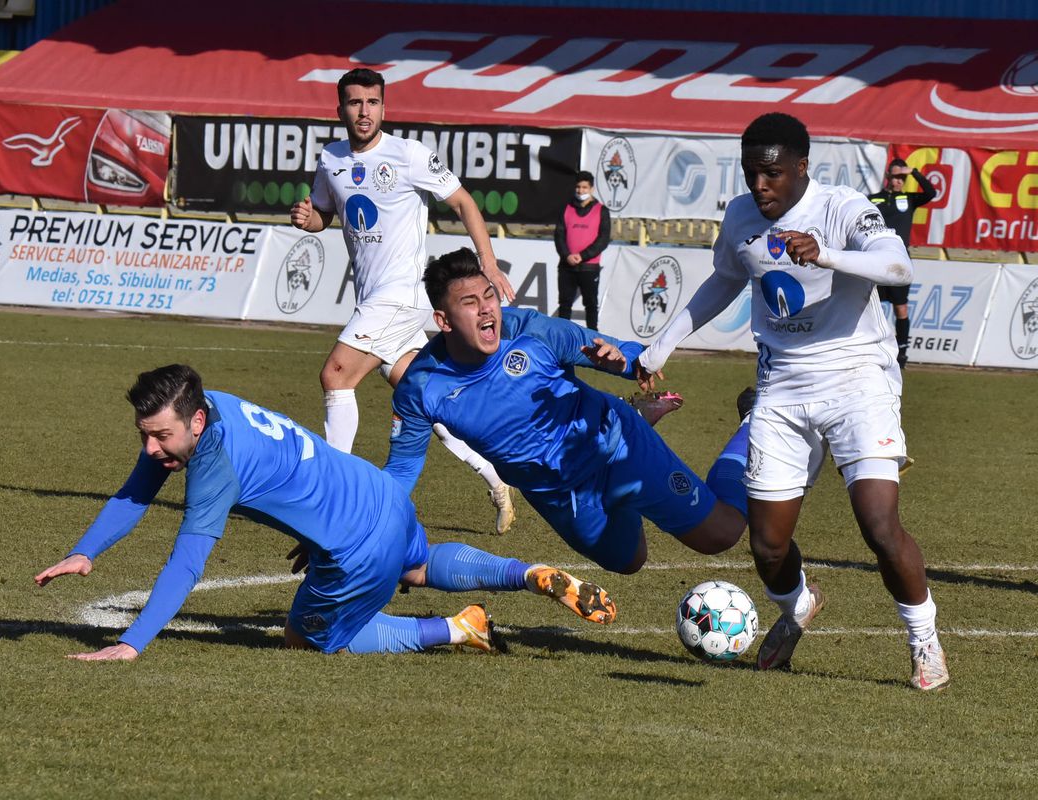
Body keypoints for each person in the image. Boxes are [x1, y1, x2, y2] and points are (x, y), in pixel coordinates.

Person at [637, 113, 949, 690]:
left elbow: (898, 264)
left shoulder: (843, 207)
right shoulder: (739, 216)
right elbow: (726, 280)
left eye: (772, 173)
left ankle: (923, 639)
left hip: (858, 378)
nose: (760, 185)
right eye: (752, 172)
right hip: (782, 384)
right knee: (768, 542)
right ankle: (799, 604)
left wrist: (826, 254)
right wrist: (662, 344)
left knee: (879, 525)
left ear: (803, 167)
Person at [33, 365, 616, 661]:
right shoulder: (212, 404)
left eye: (159, 437)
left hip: (353, 547)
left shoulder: (213, 463)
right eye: (144, 435)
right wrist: (87, 551)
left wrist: (132, 642)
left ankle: (458, 628)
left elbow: (186, 563)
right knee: (415, 566)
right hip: (381, 495)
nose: (151, 449)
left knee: (306, 640)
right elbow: (139, 486)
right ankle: (524, 572)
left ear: (196, 423)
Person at [384, 248, 751, 582]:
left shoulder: (528, 331)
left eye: (489, 296)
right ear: (443, 321)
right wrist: (373, 524)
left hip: (616, 446)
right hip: (558, 492)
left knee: (721, 535)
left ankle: (753, 423)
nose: (486, 309)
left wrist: (624, 359)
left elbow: (611, 350)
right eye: (469, 302)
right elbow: (401, 471)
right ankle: (632, 462)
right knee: (629, 560)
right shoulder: (420, 388)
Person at [289, 67, 518, 534]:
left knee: (335, 374)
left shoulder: (409, 154)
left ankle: (334, 496)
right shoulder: (331, 159)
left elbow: (464, 203)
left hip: (402, 294)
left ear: (383, 107)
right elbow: (324, 217)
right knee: (424, 400)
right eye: (354, 103)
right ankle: (497, 479)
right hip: (372, 298)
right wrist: (306, 218)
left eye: (372, 103)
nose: (364, 111)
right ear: (340, 110)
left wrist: (488, 264)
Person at [866, 158, 937, 369]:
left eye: (902, 178)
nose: (898, 181)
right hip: (876, 258)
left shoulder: (910, 198)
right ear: (888, 176)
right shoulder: (874, 198)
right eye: (896, 176)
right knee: (868, 306)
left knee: (901, 308)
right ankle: (870, 348)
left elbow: (931, 193)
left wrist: (914, 171)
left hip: (899, 260)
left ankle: (902, 352)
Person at [554, 170, 611, 331]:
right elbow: (559, 235)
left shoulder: (601, 210)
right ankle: (562, 335)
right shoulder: (566, 208)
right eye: (578, 187)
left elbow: (603, 239)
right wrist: (567, 256)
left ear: (591, 189)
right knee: (564, 304)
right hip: (567, 266)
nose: (581, 191)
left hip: (589, 267)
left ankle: (593, 336)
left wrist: (583, 256)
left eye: (584, 187)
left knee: (591, 304)